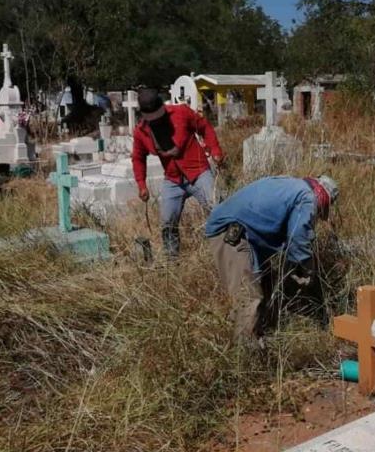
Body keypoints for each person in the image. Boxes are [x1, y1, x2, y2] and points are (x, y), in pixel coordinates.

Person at [204, 175, 339, 341]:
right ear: (325, 199)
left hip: (242, 233)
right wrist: (309, 269)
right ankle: (246, 357)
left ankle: (255, 334)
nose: (318, 216)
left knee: (264, 285)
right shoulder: (308, 197)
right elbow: (298, 238)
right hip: (231, 234)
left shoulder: (292, 185)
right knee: (249, 298)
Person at [132, 88, 224, 256]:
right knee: (167, 221)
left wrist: (215, 149)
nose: (158, 123)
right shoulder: (140, 132)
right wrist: (141, 184)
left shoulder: (181, 113)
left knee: (218, 208)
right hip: (173, 179)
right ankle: (171, 259)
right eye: (153, 121)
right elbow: (138, 158)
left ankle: (225, 250)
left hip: (198, 171)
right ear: (144, 116)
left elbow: (204, 127)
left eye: (160, 118)